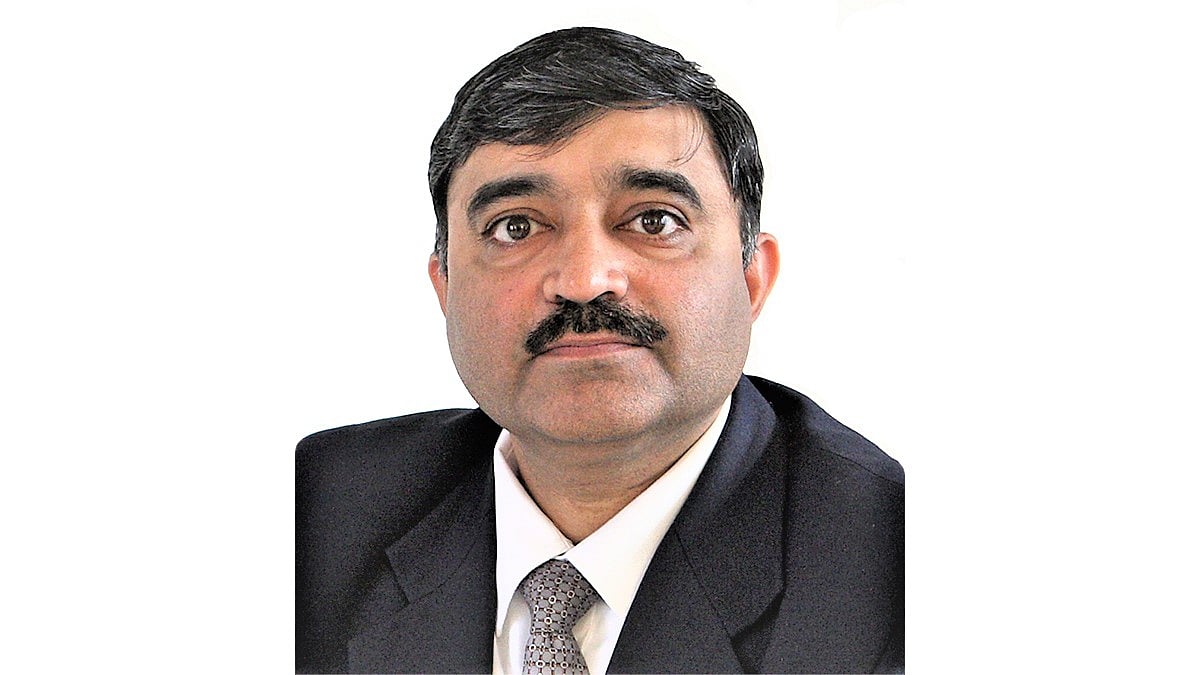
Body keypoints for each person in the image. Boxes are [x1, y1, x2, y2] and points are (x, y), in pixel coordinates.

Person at [296, 27, 903, 674]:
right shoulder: (311, 514)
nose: (585, 279)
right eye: (516, 227)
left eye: (654, 220)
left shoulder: (897, 574)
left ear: (752, 278)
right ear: (445, 286)